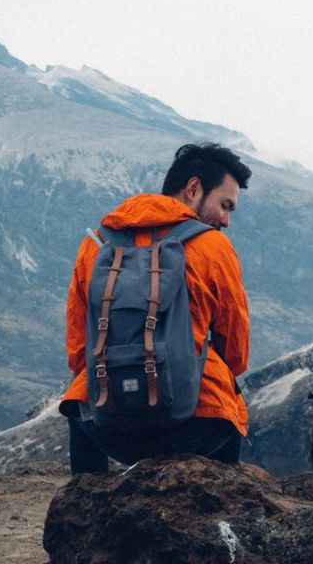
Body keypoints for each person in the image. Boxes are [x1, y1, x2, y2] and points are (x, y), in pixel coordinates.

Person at [59, 142, 252, 473]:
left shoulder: (96, 244)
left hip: (110, 426)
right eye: (225, 205)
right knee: (226, 404)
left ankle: (85, 502)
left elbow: (79, 354)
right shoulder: (214, 247)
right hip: (193, 428)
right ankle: (223, 514)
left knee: (79, 402)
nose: (226, 220)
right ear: (193, 189)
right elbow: (236, 354)